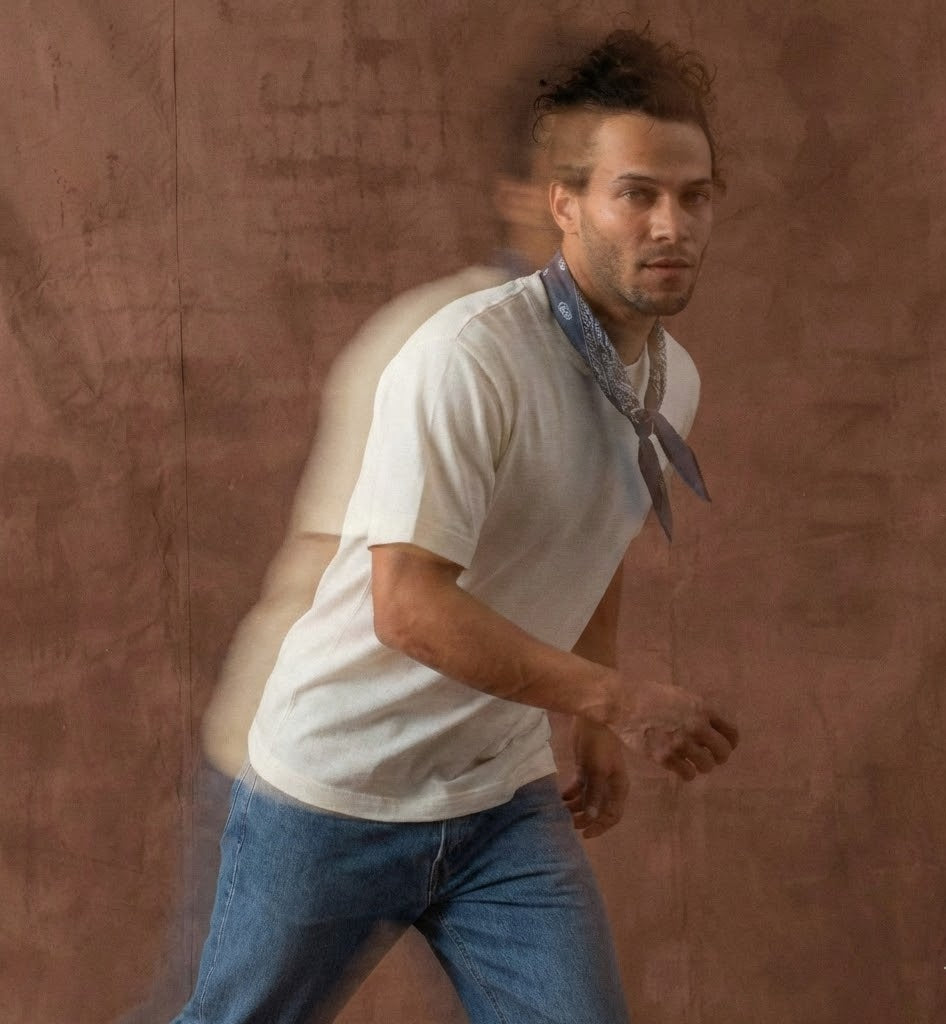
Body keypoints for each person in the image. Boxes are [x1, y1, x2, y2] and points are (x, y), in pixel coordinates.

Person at [171, 27, 739, 1024]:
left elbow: (595, 532)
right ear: (565, 203)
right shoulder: (466, 356)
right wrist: (617, 697)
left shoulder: (668, 378)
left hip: (497, 804)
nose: (671, 225)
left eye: (694, 197)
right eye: (636, 193)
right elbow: (407, 608)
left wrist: (591, 718)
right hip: (335, 792)